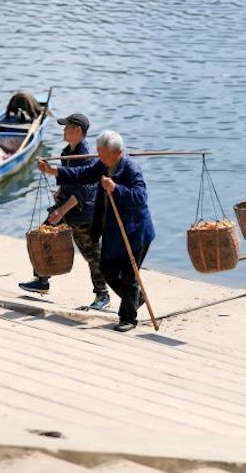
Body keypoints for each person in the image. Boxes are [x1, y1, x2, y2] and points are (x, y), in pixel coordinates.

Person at [38, 130, 155, 332]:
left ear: (118, 153)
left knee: (129, 276)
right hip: (113, 230)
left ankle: (128, 318)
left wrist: (116, 188)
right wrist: (53, 171)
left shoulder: (130, 169)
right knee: (107, 269)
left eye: (104, 155)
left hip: (135, 232)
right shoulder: (103, 165)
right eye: (99, 153)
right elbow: (82, 174)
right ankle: (135, 299)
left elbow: (140, 198)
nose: (100, 158)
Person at [19, 113, 111, 310]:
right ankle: (42, 279)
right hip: (64, 207)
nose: (63, 130)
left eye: (67, 127)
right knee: (43, 236)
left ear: (77, 130)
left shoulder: (86, 156)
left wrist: (61, 211)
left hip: (83, 213)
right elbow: (70, 179)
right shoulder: (67, 152)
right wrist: (60, 192)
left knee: (91, 254)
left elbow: (84, 191)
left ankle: (102, 294)